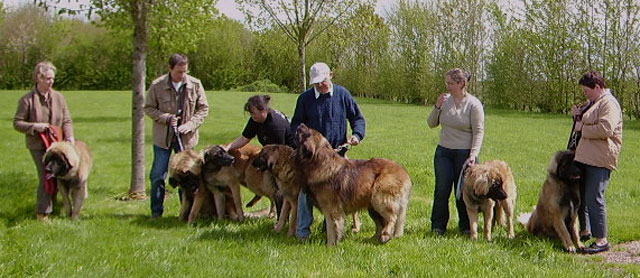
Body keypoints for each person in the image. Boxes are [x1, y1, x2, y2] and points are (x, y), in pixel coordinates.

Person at [290, 62, 366, 241]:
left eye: (322, 81)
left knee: (335, 193)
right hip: (311, 160)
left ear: (331, 75)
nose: (319, 85)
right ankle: (303, 232)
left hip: (338, 156)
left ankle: (330, 228)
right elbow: (295, 125)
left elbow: (357, 117)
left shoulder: (342, 94)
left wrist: (357, 135)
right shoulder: (305, 99)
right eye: (316, 83)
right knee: (305, 193)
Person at [144, 53, 209, 218]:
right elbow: (148, 108)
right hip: (163, 139)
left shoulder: (195, 84)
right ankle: (156, 213)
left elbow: (203, 109)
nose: (182, 75)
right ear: (170, 69)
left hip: (186, 140)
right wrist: (166, 118)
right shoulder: (157, 85)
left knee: (187, 175)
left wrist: (190, 125)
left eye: (185, 71)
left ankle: (186, 212)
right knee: (158, 175)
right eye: (179, 72)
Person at [13, 61, 75, 222]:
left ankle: (56, 206)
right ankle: (42, 212)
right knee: (47, 174)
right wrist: (34, 126)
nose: (51, 81)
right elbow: (17, 123)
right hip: (38, 146)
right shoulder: (27, 100)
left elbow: (67, 120)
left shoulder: (59, 97)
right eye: (47, 78)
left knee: (59, 174)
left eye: (52, 78)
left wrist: (70, 137)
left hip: (57, 144)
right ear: (38, 78)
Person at [427, 68, 484, 235]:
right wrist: (437, 106)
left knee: (463, 192)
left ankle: (466, 226)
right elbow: (431, 123)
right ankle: (438, 226)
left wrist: (473, 155)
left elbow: (479, 131)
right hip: (444, 152)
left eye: (451, 83)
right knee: (442, 189)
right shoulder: (445, 101)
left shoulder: (473, 104)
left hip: (465, 154)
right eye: (447, 83)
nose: (448, 86)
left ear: (461, 84)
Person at [572, 70, 622, 254]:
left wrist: (582, 128)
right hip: (587, 157)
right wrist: (577, 115)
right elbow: (586, 122)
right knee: (584, 197)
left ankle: (602, 240)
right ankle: (586, 232)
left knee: (595, 197)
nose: (586, 94)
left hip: (600, 159)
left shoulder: (609, 104)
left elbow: (606, 129)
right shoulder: (596, 102)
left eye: (587, 91)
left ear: (598, 87)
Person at [224, 95, 295, 151]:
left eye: (253, 113)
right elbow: (244, 139)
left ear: (263, 110)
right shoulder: (256, 119)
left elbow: (277, 152)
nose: (252, 116)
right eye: (250, 113)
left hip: (291, 153)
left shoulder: (275, 126)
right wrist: (227, 148)